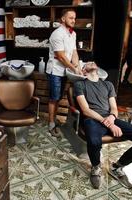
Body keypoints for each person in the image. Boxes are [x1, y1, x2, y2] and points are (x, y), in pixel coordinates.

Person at [73, 62, 132, 189]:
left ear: (97, 69)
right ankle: (95, 167)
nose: (91, 63)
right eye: (86, 64)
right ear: (83, 71)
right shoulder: (80, 84)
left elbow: (114, 109)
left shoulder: (108, 85)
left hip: (110, 118)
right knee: (94, 142)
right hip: (92, 119)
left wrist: (111, 119)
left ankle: (116, 167)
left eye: (93, 62)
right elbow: (86, 110)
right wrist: (110, 125)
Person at [46, 8, 82, 138]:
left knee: (59, 98)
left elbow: (74, 52)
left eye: (74, 18)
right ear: (63, 19)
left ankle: (54, 120)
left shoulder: (73, 34)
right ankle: (51, 124)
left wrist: (77, 66)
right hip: (55, 70)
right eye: (71, 18)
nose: (73, 20)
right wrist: (74, 69)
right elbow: (61, 56)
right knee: (54, 98)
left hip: (64, 71)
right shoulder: (57, 34)